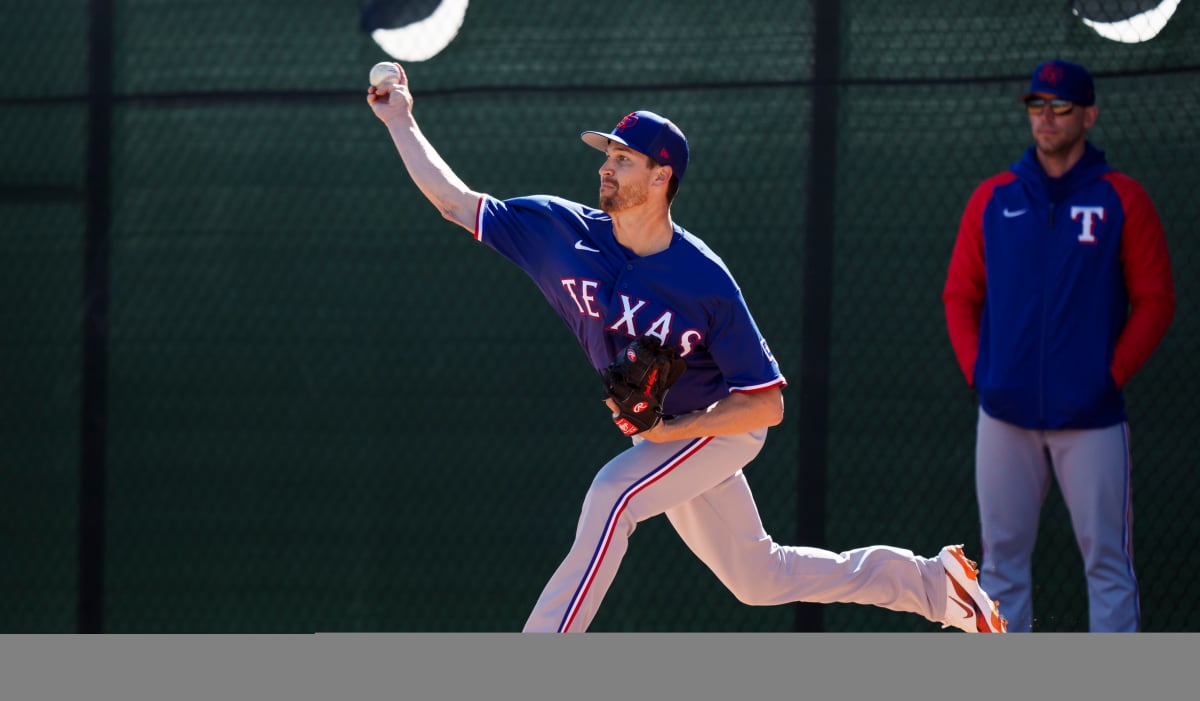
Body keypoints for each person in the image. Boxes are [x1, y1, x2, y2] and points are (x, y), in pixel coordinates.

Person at [369, 62, 1005, 633]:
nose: (604, 167)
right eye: (607, 155)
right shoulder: (559, 232)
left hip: (723, 424)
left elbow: (768, 405)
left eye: (622, 159)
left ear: (660, 175)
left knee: (610, 500)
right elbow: (455, 202)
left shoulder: (703, 277)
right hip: (668, 433)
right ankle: (933, 585)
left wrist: (679, 429)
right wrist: (400, 120)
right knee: (760, 578)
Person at [943, 59, 1175, 632]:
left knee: (1108, 566)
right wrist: (983, 375)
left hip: (1091, 418)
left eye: (1060, 106)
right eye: (1036, 105)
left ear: (1088, 115)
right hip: (1004, 416)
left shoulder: (1122, 199)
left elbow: (1156, 300)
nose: (1046, 118)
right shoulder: (993, 199)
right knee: (999, 569)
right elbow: (958, 295)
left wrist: (1107, 377)